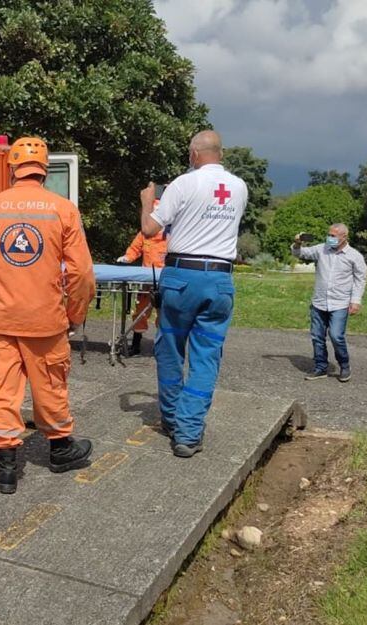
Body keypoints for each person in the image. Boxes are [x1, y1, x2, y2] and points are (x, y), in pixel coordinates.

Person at [0, 137, 95, 494]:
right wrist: (75, 312)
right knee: (50, 384)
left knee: (0, 389)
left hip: (1, 320)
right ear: (44, 168)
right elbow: (80, 274)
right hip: (46, 319)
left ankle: (5, 467)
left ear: (13, 169)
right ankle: (61, 450)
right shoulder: (63, 209)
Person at [140, 130, 247, 458]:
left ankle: (172, 419)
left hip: (181, 278)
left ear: (193, 154)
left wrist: (146, 202)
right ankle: (188, 433)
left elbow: (149, 230)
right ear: (221, 153)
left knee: (171, 348)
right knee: (206, 356)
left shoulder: (182, 185)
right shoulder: (240, 187)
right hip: (219, 280)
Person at [291, 224, 367, 383]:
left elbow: (360, 280)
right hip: (319, 301)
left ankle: (344, 365)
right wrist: (298, 242)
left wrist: (356, 301)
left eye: (333, 236)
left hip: (340, 303)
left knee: (336, 335)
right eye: (329, 235)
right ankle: (320, 367)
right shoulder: (321, 249)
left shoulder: (354, 256)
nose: (330, 238)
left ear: (344, 237)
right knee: (317, 336)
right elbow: (298, 253)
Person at [116, 215, 167, 355]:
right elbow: (134, 249)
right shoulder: (145, 233)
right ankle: (136, 344)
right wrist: (127, 258)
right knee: (141, 312)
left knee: (165, 313)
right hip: (146, 282)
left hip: (166, 281)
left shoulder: (172, 233)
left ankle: (162, 345)